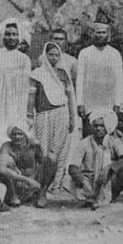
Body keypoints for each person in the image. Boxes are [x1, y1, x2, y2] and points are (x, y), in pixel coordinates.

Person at [28, 42, 75, 190]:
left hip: (61, 114)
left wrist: (73, 116)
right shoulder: (36, 73)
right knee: (42, 151)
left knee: (58, 151)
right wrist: (29, 114)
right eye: (50, 54)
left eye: (56, 55)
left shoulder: (63, 73)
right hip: (43, 115)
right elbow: (31, 97)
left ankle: (56, 184)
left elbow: (70, 96)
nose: (53, 58)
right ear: (45, 55)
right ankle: (40, 185)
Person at [67, 109, 123, 209]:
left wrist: (110, 168)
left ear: (106, 127)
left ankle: (111, 195)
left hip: (106, 179)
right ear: (91, 127)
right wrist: (83, 182)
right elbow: (72, 167)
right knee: (69, 181)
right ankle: (90, 198)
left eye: (101, 126)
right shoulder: (84, 143)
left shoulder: (113, 141)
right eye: (95, 126)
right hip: (89, 180)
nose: (98, 129)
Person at [0, 19, 31, 148]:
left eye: (14, 34)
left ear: (19, 37)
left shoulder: (24, 59)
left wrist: (26, 112)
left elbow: (26, 88)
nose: (11, 37)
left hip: (17, 105)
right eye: (8, 34)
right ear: (2, 36)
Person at [76, 22, 123, 136]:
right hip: (90, 103)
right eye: (98, 32)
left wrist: (117, 103)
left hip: (109, 103)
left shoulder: (114, 53)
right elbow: (80, 79)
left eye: (103, 33)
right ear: (93, 34)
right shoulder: (84, 53)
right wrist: (80, 103)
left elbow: (119, 80)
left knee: (108, 137)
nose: (101, 35)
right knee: (89, 136)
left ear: (107, 35)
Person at [0, 124, 52, 208]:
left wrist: (39, 148)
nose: (17, 137)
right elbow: (2, 169)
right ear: (10, 136)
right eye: (14, 134)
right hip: (16, 184)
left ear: (25, 135)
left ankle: (42, 195)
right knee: (7, 161)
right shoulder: (7, 146)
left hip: (34, 181)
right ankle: (13, 196)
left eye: (20, 134)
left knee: (52, 158)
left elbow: (42, 163)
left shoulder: (34, 144)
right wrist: (27, 180)